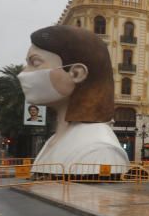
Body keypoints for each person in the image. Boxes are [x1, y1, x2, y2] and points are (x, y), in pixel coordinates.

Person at [19, 25, 128, 174]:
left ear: (76, 73)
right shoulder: (55, 139)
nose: (22, 74)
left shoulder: (98, 150)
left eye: (35, 63)